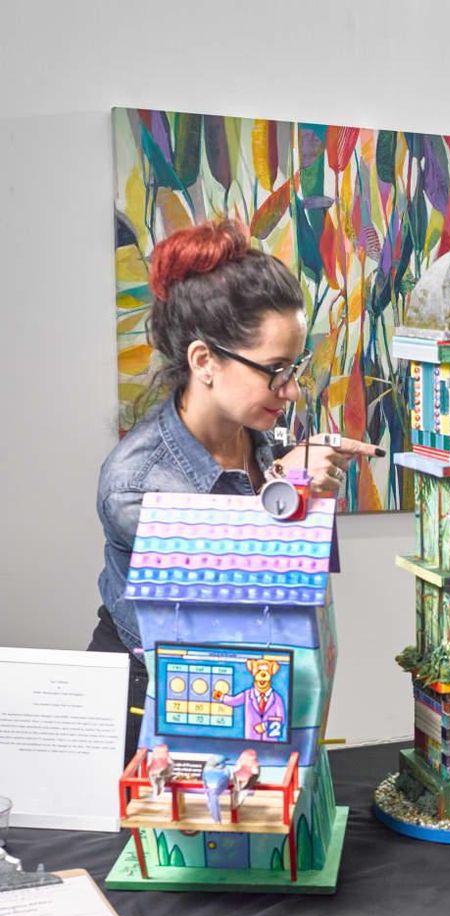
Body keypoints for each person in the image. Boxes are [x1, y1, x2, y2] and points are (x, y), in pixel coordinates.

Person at [90, 220, 382, 758]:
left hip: (245, 681)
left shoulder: (255, 431)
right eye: (274, 370)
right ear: (204, 361)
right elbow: (222, 589)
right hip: (155, 699)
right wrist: (281, 486)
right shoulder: (136, 484)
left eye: (293, 368)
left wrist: (293, 487)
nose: (290, 390)